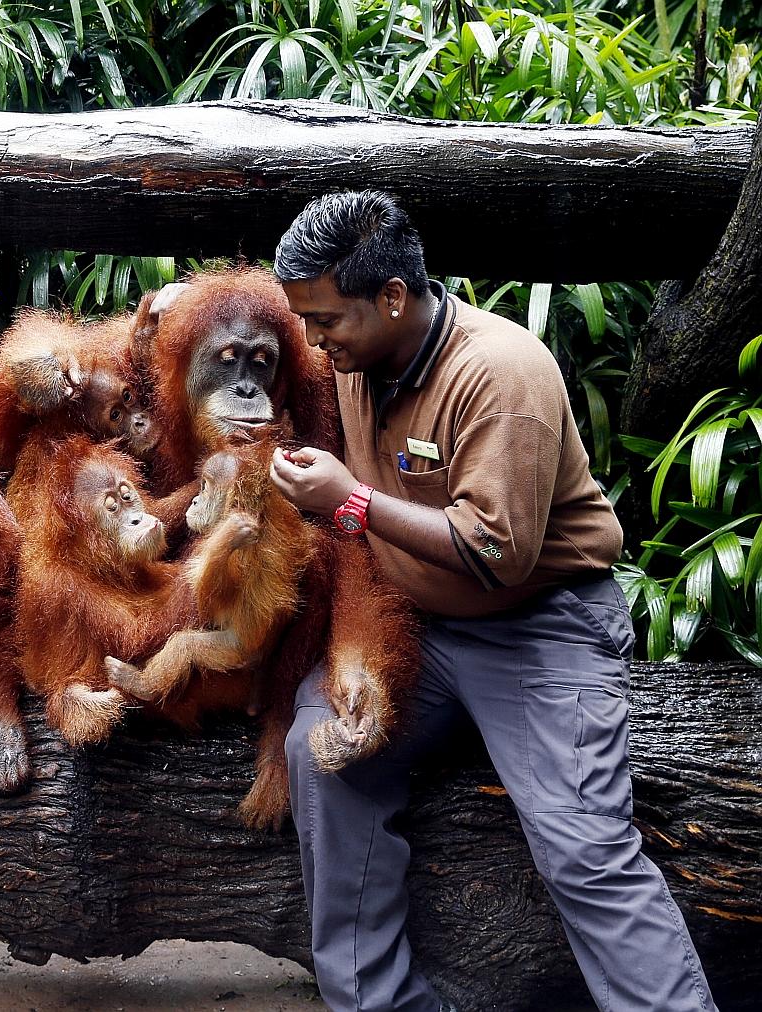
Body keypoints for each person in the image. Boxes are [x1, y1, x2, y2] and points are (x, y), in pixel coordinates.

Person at [266, 191, 715, 1012]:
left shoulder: (500, 372)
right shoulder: (357, 359)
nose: (313, 340)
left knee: (584, 846)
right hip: (419, 627)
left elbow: (497, 555)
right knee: (324, 752)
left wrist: (349, 503)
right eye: (305, 320)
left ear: (392, 297)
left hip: (540, 626)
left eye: (325, 320)